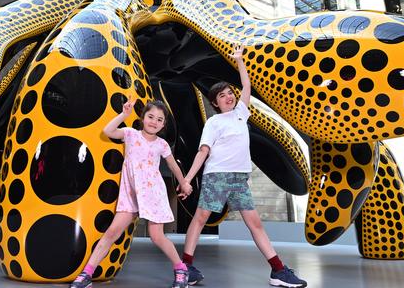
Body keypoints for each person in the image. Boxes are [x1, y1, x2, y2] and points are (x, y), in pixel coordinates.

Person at [180, 44, 307, 287]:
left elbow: (246, 86)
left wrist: (239, 60)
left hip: (239, 179)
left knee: (254, 223)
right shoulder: (215, 122)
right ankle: (186, 267)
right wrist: (187, 179)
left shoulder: (241, 113)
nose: (228, 96)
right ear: (215, 103)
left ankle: (278, 271)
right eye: (222, 96)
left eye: (229, 93)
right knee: (200, 219)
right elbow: (203, 152)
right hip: (217, 176)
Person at [70, 99, 194, 288]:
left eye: (159, 119)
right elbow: (108, 131)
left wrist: (184, 183)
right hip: (130, 192)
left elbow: (172, 165)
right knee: (112, 232)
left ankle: (181, 270)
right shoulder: (130, 134)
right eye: (150, 116)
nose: (154, 121)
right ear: (143, 117)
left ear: (163, 124)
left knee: (157, 236)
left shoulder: (162, 144)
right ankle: (86, 275)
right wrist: (123, 115)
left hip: (152, 193)